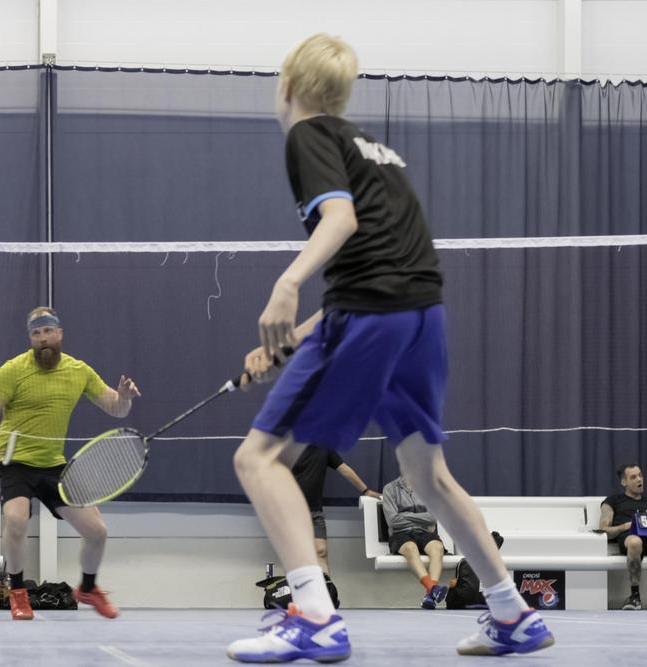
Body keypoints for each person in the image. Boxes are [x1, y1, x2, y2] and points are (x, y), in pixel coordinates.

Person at [225, 33, 554, 662]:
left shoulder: (308, 135)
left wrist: (286, 285)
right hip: (419, 317)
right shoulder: (374, 148)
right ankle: (512, 612)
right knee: (428, 476)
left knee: (258, 459)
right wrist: (292, 343)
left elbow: (341, 222)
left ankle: (313, 615)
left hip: (372, 315)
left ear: (287, 87)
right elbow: (378, 270)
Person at [0, 306, 140, 620]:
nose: (43, 338)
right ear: (30, 338)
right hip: (14, 462)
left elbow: (116, 409)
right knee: (16, 520)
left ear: (60, 333)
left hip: (53, 465)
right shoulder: (12, 370)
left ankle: (88, 588)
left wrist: (124, 398)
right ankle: (18, 592)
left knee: (97, 531)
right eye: (36, 333)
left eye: (48, 331)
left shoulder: (79, 371)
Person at [291, 446, 380, 606]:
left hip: (315, 511)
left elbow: (344, 469)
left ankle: (326, 597)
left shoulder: (324, 447)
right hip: (290, 510)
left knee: (321, 551)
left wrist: (365, 491)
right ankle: (297, 599)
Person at [381, 474, 448, 609]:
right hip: (400, 533)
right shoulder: (390, 489)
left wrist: (404, 515)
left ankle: (429, 595)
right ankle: (432, 588)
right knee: (411, 548)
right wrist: (420, 519)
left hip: (424, 532)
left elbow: (433, 518)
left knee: (437, 547)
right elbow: (393, 520)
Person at [599, 463, 647, 610]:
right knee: (635, 542)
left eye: (640, 475)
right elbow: (603, 530)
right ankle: (635, 597)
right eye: (633, 477)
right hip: (630, 538)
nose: (639, 479)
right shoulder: (613, 501)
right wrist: (625, 526)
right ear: (624, 482)